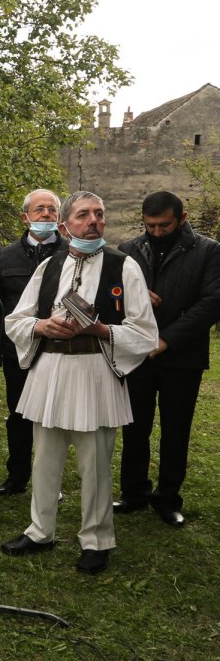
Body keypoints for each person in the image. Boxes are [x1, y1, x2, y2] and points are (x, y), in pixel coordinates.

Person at [0, 191, 158, 575]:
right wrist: (41, 324)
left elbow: (145, 333)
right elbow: (15, 320)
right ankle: (40, 531)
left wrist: (101, 328)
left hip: (95, 371)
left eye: (99, 215)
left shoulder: (125, 267)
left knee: (95, 462)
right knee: (45, 458)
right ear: (65, 224)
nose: (93, 221)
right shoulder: (50, 266)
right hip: (50, 371)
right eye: (84, 215)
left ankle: (96, 539)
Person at [115, 191, 220, 528]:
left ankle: (168, 498)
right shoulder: (129, 250)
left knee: (176, 430)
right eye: (150, 226)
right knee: (134, 427)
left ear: (182, 218)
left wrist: (167, 339)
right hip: (137, 354)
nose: (157, 232)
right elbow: (111, 293)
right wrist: (134, 292)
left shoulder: (208, 251)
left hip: (182, 356)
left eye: (164, 225)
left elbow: (212, 302)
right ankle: (133, 492)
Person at [0, 189, 63, 495]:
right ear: (25, 217)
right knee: (19, 415)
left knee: (52, 418)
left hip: (57, 348)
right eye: (39, 209)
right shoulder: (4, 256)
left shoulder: (70, 254)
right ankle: (17, 476)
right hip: (17, 349)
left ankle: (49, 480)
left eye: (52, 210)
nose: (46, 215)